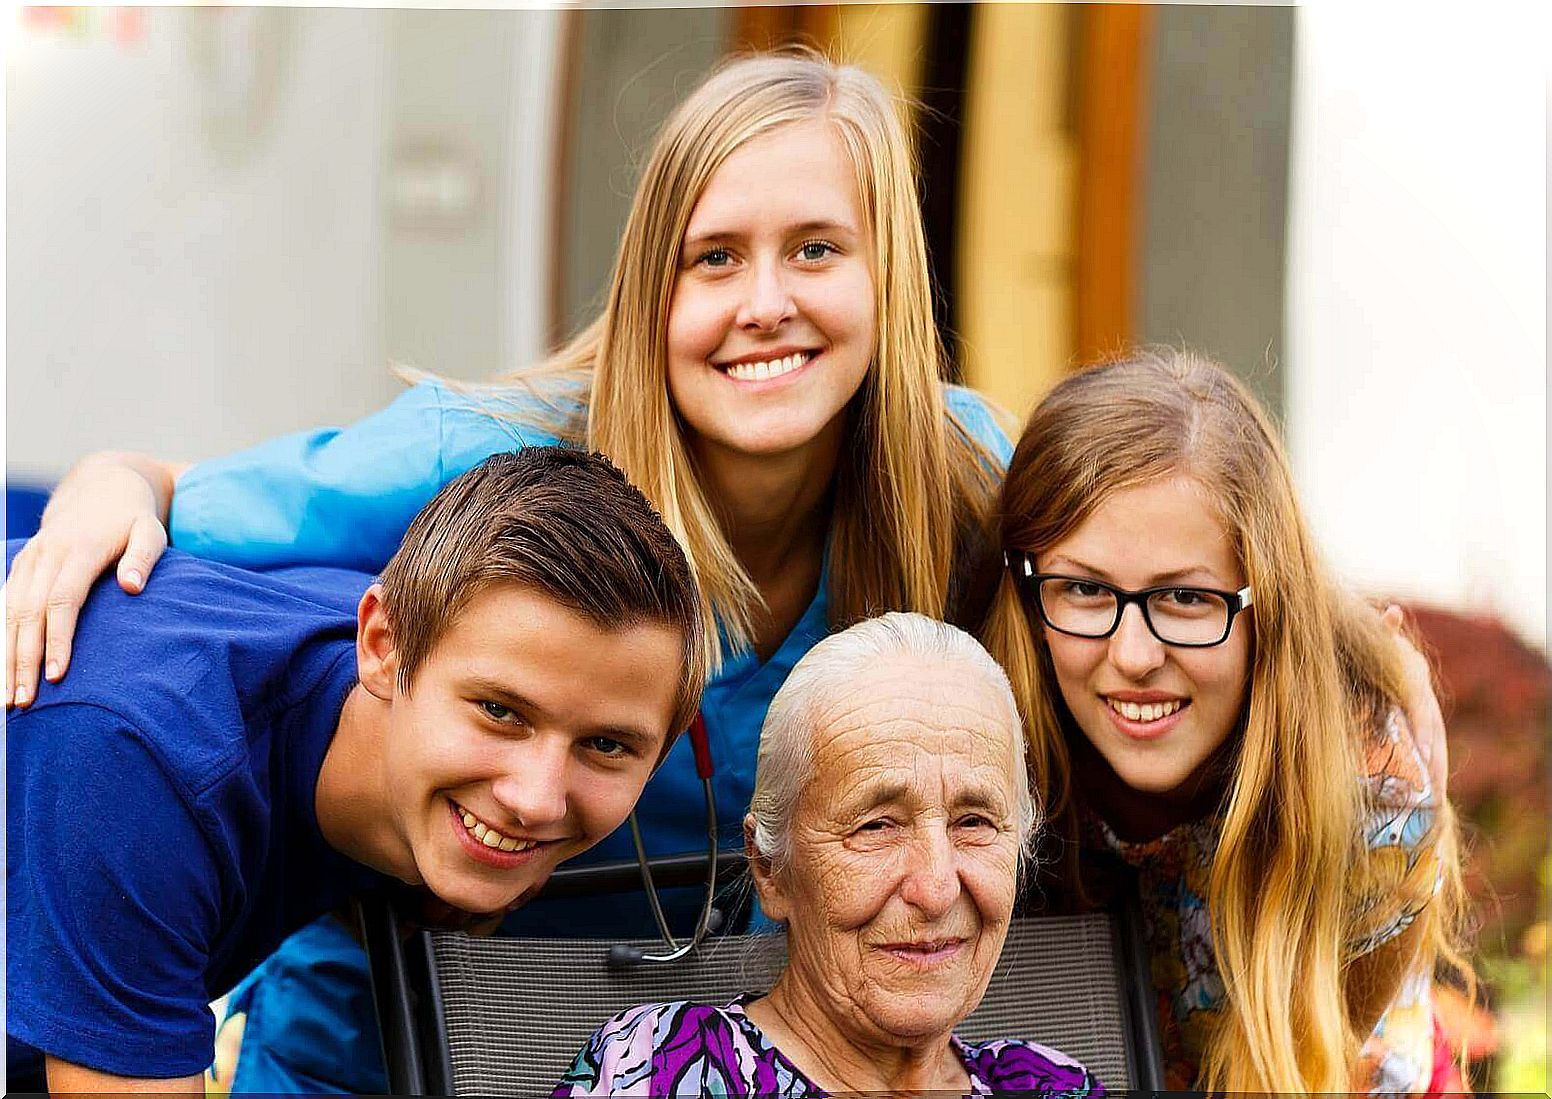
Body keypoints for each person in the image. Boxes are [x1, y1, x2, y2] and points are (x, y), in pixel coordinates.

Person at [3, 51, 1010, 1090]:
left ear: (887, 270)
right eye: (712, 258)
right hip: (391, 1028)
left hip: (709, 1046)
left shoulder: (966, 478)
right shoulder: (485, 459)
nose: (764, 302)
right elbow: (173, 521)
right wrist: (96, 497)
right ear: (649, 286)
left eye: (815, 250)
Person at [5, 449, 706, 1092]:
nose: (535, 798)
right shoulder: (141, 772)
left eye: (607, 746)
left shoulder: (410, 684)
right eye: (499, 710)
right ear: (380, 646)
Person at [978, 349, 1474, 1093]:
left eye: (1185, 598)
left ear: (1266, 600)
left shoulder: (1369, 792)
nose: (1134, 655)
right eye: (1083, 588)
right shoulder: (994, 746)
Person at [555, 613, 1103, 1098]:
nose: (936, 889)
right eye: (877, 826)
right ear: (771, 870)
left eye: (974, 822)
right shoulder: (665, 1069)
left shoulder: (1055, 1084)